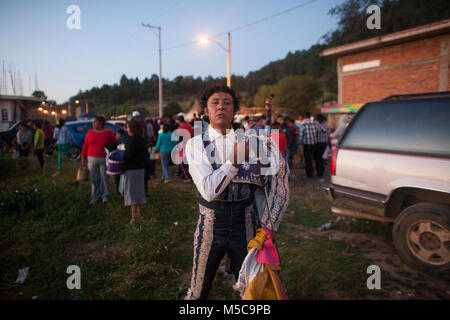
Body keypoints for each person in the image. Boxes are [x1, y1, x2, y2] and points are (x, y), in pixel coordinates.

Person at [184, 85, 289, 300]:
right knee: (198, 290)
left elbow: (279, 177)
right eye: (215, 102)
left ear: (234, 111)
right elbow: (208, 191)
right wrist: (234, 161)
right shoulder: (196, 144)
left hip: (246, 222)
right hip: (211, 223)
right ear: (205, 111)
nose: (221, 106)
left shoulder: (253, 142)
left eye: (227, 102)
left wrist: (269, 224)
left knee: (250, 289)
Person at [81, 115, 117, 204]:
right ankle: (95, 196)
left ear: (101, 123)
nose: (93, 124)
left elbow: (115, 142)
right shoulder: (90, 133)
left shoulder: (108, 132)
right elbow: (85, 146)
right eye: (93, 122)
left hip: (104, 158)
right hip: (92, 159)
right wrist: (83, 158)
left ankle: (105, 196)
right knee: (95, 179)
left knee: (104, 178)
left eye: (95, 122)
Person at [123, 119, 147, 225]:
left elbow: (128, 154)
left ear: (131, 128)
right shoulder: (141, 139)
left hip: (132, 168)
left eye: (127, 127)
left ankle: (134, 217)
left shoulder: (133, 140)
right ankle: (140, 214)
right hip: (140, 168)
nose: (126, 129)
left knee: (132, 193)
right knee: (139, 192)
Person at [298, 112, 319, 178]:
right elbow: (317, 132)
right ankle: (315, 171)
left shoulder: (303, 123)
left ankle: (309, 174)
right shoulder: (314, 123)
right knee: (314, 158)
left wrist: (299, 142)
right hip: (314, 144)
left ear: (304, 117)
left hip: (306, 144)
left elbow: (301, 134)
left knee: (308, 159)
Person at [175, 115, 194, 183]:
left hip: (183, 146)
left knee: (183, 163)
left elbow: (178, 139)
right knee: (188, 162)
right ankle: (185, 174)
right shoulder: (189, 125)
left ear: (178, 121)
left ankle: (187, 177)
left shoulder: (180, 127)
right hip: (190, 145)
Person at [315, 114, 330, 178]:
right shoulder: (325, 126)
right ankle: (321, 171)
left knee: (318, 158)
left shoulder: (317, 125)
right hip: (324, 144)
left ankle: (319, 172)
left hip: (318, 143)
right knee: (320, 157)